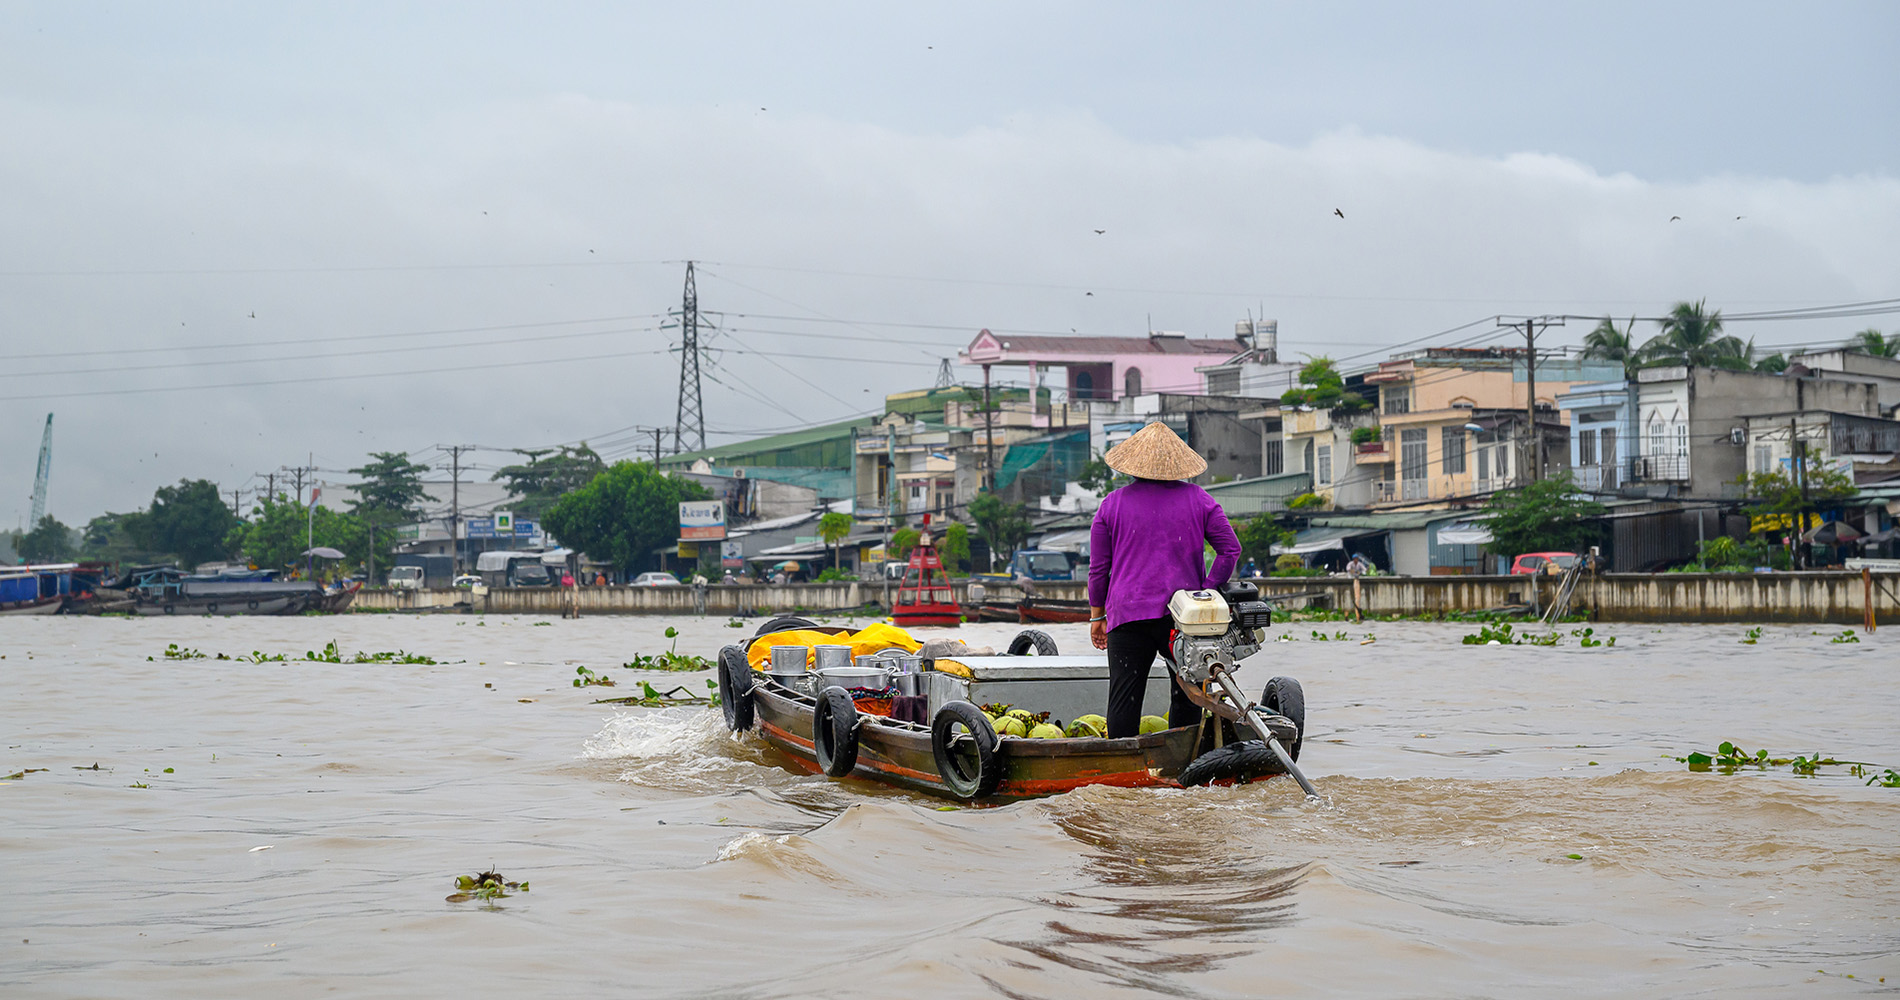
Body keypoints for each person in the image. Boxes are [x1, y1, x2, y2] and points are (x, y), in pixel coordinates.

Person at [1088, 422, 1240, 739]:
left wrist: (1096, 616)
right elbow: (1230, 550)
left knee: (1124, 699)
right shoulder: (1200, 500)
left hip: (1127, 614)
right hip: (1184, 618)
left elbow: (1099, 569)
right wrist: (1207, 592)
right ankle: (1184, 771)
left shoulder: (1111, 505)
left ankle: (1123, 780)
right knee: (1188, 696)